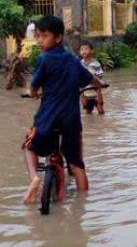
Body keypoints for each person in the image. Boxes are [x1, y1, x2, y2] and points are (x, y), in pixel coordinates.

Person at [21, 15, 105, 204]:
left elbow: (34, 85)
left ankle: (34, 177)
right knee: (76, 163)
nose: (39, 40)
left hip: (48, 118)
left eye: (44, 36)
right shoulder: (72, 59)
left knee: (28, 145)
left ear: (57, 38)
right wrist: (100, 83)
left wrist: (33, 92)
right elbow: (91, 78)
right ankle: (82, 206)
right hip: (71, 120)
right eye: (38, 36)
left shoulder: (44, 59)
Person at [78, 41, 105, 115]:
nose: (84, 51)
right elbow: (78, 80)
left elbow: (100, 76)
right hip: (85, 92)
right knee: (88, 111)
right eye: (82, 49)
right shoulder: (79, 64)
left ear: (91, 50)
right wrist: (82, 97)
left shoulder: (96, 63)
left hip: (96, 91)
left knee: (101, 111)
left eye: (86, 49)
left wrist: (99, 93)